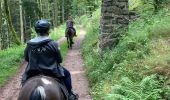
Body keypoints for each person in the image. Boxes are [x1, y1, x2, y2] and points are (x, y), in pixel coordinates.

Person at [21, 19, 78, 100]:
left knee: (24, 81)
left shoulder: (29, 44)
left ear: (36, 30)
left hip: (33, 71)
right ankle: (70, 95)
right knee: (67, 74)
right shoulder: (53, 44)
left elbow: (27, 58)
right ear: (48, 30)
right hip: (52, 71)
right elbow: (59, 60)